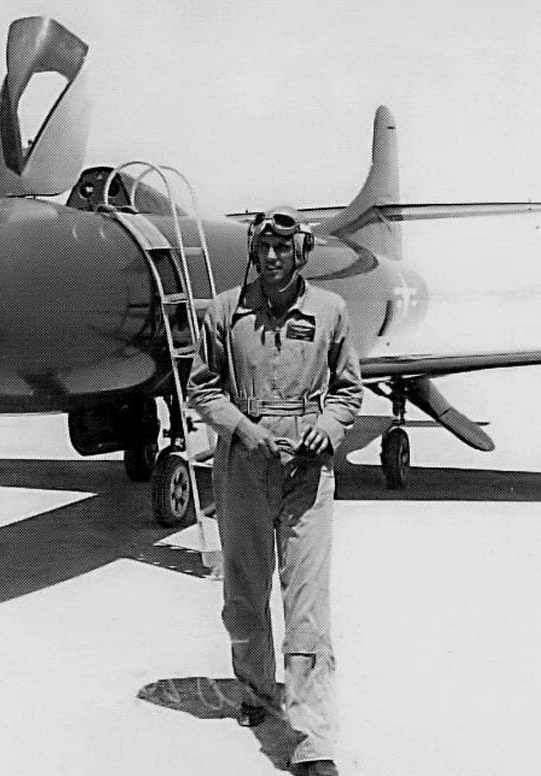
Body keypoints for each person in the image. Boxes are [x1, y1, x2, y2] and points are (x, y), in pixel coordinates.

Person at [187, 206, 362, 776]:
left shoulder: (330, 312)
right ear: (254, 252)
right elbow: (202, 388)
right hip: (244, 464)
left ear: (301, 254)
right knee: (244, 593)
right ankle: (257, 692)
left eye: (284, 249)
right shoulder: (222, 313)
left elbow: (348, 391)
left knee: (307, 602)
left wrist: (330, 426)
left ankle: (313, 741)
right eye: (264, 248)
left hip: (308, 471)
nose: (273, 257)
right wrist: (241, 428)